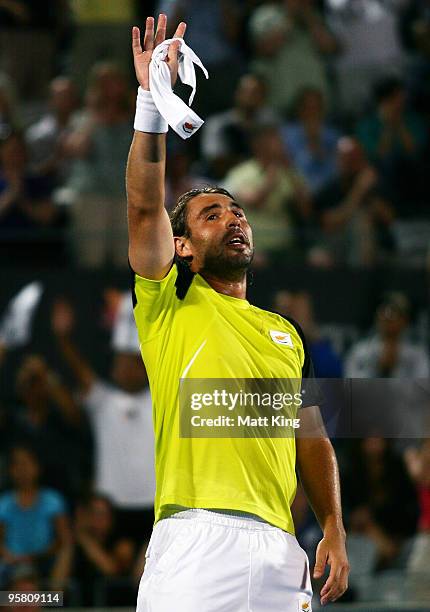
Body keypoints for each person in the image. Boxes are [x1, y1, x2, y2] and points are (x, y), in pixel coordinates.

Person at [127, 14, 349, 611]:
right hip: (193, 542)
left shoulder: (285, 333)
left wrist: (332, 525)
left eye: (237, 212)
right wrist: (152, 103)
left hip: (282, 550)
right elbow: (145, 209)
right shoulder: (169, 302)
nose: (234, 219)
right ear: (182, 247)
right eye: (211, 215)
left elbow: (311, 434)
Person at [51, 300, 155, 545]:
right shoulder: (104, 401)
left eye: (134, 363)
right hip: (108, 508)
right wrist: (62, 338)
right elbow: (80, 371)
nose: (127, 368)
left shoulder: (162, 398)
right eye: (121, 362)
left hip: (155, 505)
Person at [0, 445, 72, 589]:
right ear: (11, 471)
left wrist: (38, 555)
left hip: (44, 559)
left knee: (67, 550)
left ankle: (53, 598)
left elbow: (64, 539)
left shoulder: (53, 500)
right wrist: (12, 557)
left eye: (27, 464)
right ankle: (9, 601)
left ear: (37, 467)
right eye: (17, 465)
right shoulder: (4, 503)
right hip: (13, 563)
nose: (22, 470)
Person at [345, 292, 430, 379]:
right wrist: (380, 370)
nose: (387, 317)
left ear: (405, 320)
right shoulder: (360, 351)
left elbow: (423, 389)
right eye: (383, 311)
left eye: (394, 313)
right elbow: (351, 387)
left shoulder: (417, 354)